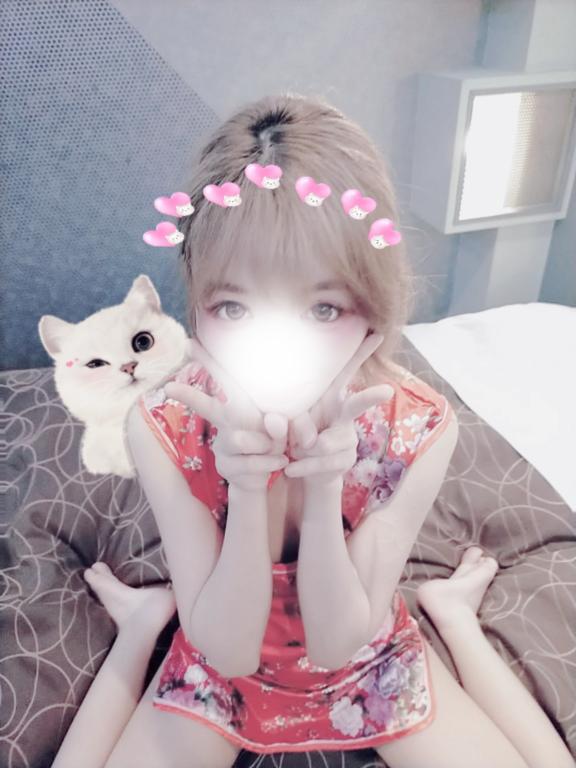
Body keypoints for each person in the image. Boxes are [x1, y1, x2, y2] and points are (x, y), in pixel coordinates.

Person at [52, 93, 574, 768]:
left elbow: (337, 644)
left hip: (365, 653)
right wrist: (249, 487)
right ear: (199, 305)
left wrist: (324, 486)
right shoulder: (166, 426)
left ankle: (451, 614)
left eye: (324, 308)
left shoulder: (416, 427)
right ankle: (143, 623)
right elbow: (226, 651)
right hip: (220, 656)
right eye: (233, 307)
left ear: (372, 306)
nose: (279, 347)